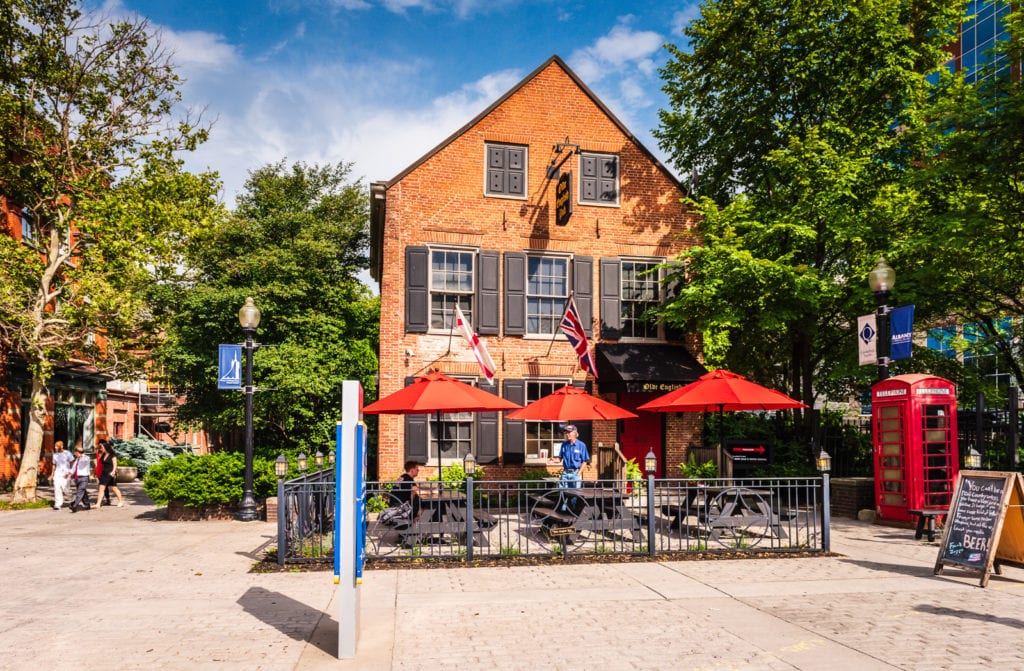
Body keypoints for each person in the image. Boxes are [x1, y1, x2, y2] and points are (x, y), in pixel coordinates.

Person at [557, 424, 590, 490]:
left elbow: (585, 461)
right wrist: (553, 460)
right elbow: (559, 459)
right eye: (566, 433)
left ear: (575, 433)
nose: (567, 434)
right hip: (565, 473)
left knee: (575, 495)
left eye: (569, 432)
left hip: (575, 473)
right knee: (563, 493)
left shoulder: (581, 445)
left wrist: (578, 474)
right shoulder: (564, 445)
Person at [95, 440, 124, 508]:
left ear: (106, 447)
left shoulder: (112, 455)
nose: (101, 449)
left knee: (114, 488)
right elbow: (100, 463)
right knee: (101, 489)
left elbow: (115, 464)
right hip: (104, 473)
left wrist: (113, 471)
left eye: (102, 447)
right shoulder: (103, 455)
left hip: (110, 474)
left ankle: (120, 501)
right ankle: (98, 504)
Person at [68, 446, 92, 512]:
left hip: (84, 477)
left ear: (78, 452)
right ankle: (87, 504)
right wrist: (69, 474)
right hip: (77, 478)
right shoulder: (77, 459)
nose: (74, 454)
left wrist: (81, 455)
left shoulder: (86, 458)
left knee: (80, 491)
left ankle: (74, 505)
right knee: (83, 491)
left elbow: (85, 461)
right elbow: (74, 468)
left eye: (75, 453)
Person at [51, 441, 72, 510]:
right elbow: (54, 465)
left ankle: (72, 499)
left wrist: (71, 472)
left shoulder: (68, 453)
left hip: (66, 474)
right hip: (57, 474)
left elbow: (72, 462)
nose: (55, 447)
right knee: (57, 488)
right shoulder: (55, 455)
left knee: (66, 489)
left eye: (57, 446)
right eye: (55, 446)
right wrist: (52, 474)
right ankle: (58, 504)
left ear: (61, 446)